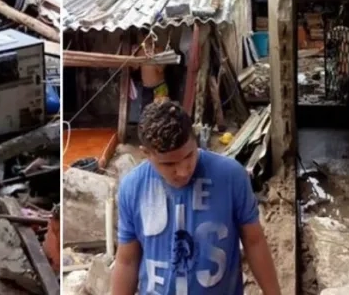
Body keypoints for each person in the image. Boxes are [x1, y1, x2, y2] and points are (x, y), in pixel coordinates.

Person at [111, 101, 280, 295]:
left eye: (189, 156)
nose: (183, 171)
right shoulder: (133, 188)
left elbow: (254, 241)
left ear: (195, 139)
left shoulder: (231, 176)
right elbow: (127, 261)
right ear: (146, 154)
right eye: (169, 164)